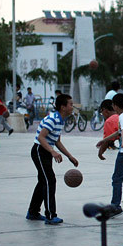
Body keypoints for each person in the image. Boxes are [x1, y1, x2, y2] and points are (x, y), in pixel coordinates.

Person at [26, 93, 79, 225]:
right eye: (71, 104)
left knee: (43, 181)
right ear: (63, 107)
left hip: (46, 151)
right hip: (39, 150)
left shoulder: (60, 120)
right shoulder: (53, 119)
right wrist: (53, 152)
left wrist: (69, 156)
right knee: (50, 180)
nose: (72, 107)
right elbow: (41, 137)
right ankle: (50, 215)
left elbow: (57, 141)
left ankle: (32, 212)